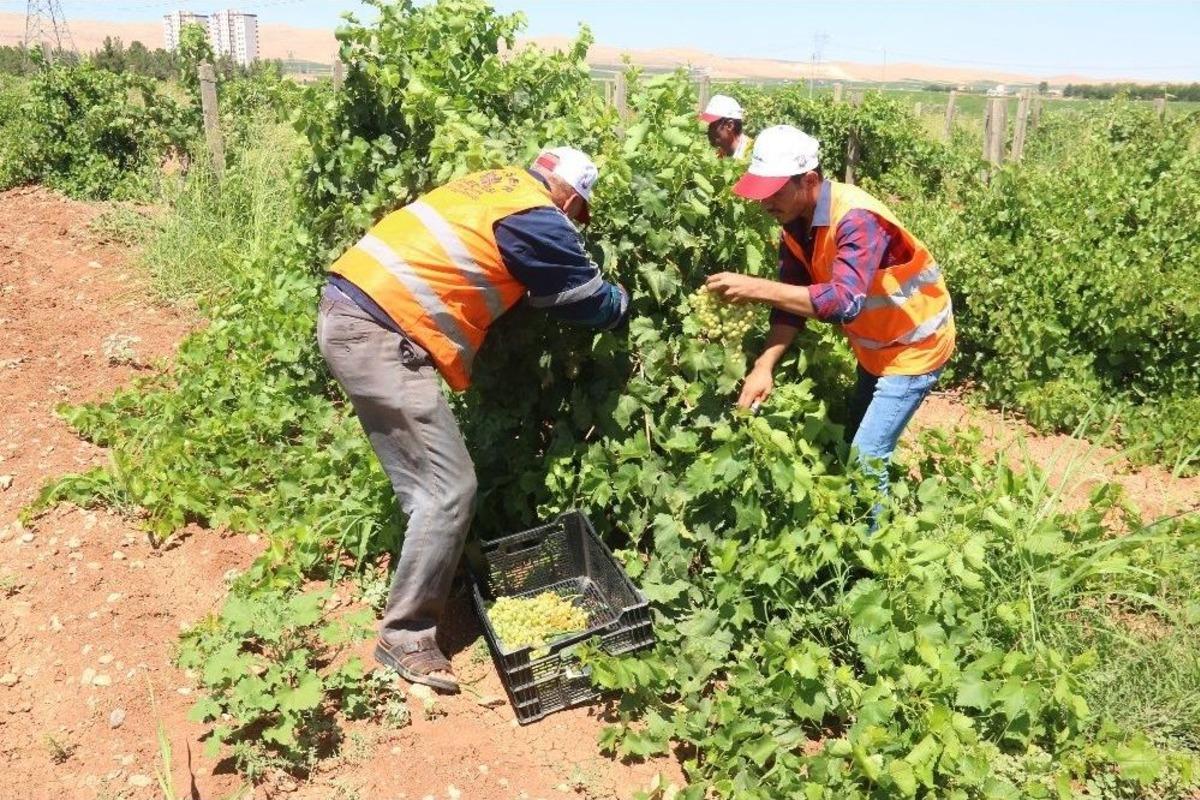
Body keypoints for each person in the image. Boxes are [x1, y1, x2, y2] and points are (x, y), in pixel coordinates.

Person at [317, 148, 629, 692]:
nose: (573, 224)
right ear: (572, 197)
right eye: (579, 215)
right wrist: (621, 303)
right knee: (448, 490)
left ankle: (429, 583)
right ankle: (407, 635)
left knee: (425, 487)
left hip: (351, 313)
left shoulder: (493, 186)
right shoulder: (539, 218)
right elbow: (588, 300)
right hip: (382, 335)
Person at [705, 125, 954, 525]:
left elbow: (845, 302)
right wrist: (763, 366)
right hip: (875, 347)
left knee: (866, 456)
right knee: (859, 435)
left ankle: (878, 559)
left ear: (810, 181)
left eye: (774, 191)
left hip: (915, 348)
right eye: (761, 193)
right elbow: (791, 302)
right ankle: (865, 520)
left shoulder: (856, 219)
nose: (765, 204)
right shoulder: (795, 227)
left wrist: (756, 287)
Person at [699, 94, 753, 159]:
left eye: (712, 125)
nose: (708, 130)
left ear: (730, 126)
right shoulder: (719, 155)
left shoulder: (753, 153)